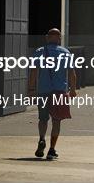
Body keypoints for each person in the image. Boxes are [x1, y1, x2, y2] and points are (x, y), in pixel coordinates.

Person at [28, 28, 77, 160]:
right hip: (60, 92)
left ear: (47, 37)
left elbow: (33, 71)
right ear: (59, 38)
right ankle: (51, 149)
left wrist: (31, 90)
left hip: (43, 91)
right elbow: (72, 73)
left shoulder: (39, 52)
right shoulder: (65, 52)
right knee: (56, 121)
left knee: (43, 119)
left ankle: (42, 139)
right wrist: (73, 90)